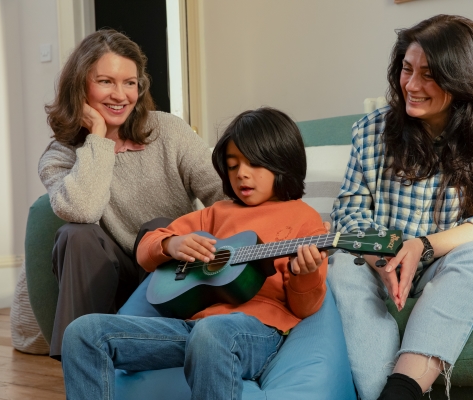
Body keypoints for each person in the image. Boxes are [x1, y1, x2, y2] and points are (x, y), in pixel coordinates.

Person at [60, 107, 329, 399]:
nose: (242, 174)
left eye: (254, 164)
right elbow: (149, 247)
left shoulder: (305, 218)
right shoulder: (217, 213)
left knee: (212, 332)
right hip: (191, 328)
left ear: (282, 163)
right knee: (82, 333)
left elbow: (306, 308)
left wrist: (306, 273)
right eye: (233, 165)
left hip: (255, 332)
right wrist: (171, 245)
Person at [327, 15, 473, 400]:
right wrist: (384, 257)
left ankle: (401, 393)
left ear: (461, 79)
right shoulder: (371, 130)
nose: (412, 86)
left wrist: (424, 245)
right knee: (340, 265)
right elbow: (349, 213)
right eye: (407, 69)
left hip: (442, 259)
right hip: (378, 259)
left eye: (429, 75)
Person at [39, 29, 223, 360]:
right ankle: (81, 362)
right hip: (104, 281)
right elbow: (82, 210)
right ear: (80, 86)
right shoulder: (59, 156)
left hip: (171, 273)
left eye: (130, 82)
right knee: (75, 235)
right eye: (106, 81)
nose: (120, 95)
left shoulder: (168, 130)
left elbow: (221, 192)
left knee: (159, 226)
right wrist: (98, 138)